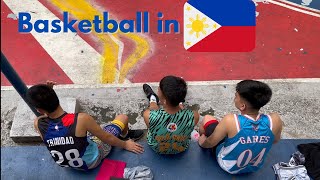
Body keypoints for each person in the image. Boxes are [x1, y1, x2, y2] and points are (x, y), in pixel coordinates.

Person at [26, 81, 144, 171]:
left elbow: (54, 121)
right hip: (91, 161)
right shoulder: (82, 119)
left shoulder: (38, 123)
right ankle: (125, 135)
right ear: (56, 97)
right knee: (122, 118)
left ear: (40, 110)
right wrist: (125, 145)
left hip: (68, 164)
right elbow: (107, 138)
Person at [198, 80, 282, 174]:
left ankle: (200, 136)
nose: (234, 98)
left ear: (242, 106)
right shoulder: (275, 120)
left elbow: (211, 142)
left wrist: (202, 143)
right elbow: (274, 140)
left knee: (207, 118)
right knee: (230, 133)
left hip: (227, 166)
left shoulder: (230, 120)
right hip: (254, 168)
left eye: (236, 96)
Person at [142, 76, 199, 154]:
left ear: (164, 99)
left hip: (157, 148)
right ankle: (179, 102)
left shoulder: (147, 115)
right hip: (181, 148)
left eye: (159, 89)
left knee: (153, 108)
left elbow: (152, 129)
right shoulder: (194, 116)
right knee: (181, 111)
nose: (158, 90)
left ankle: (153, 98)